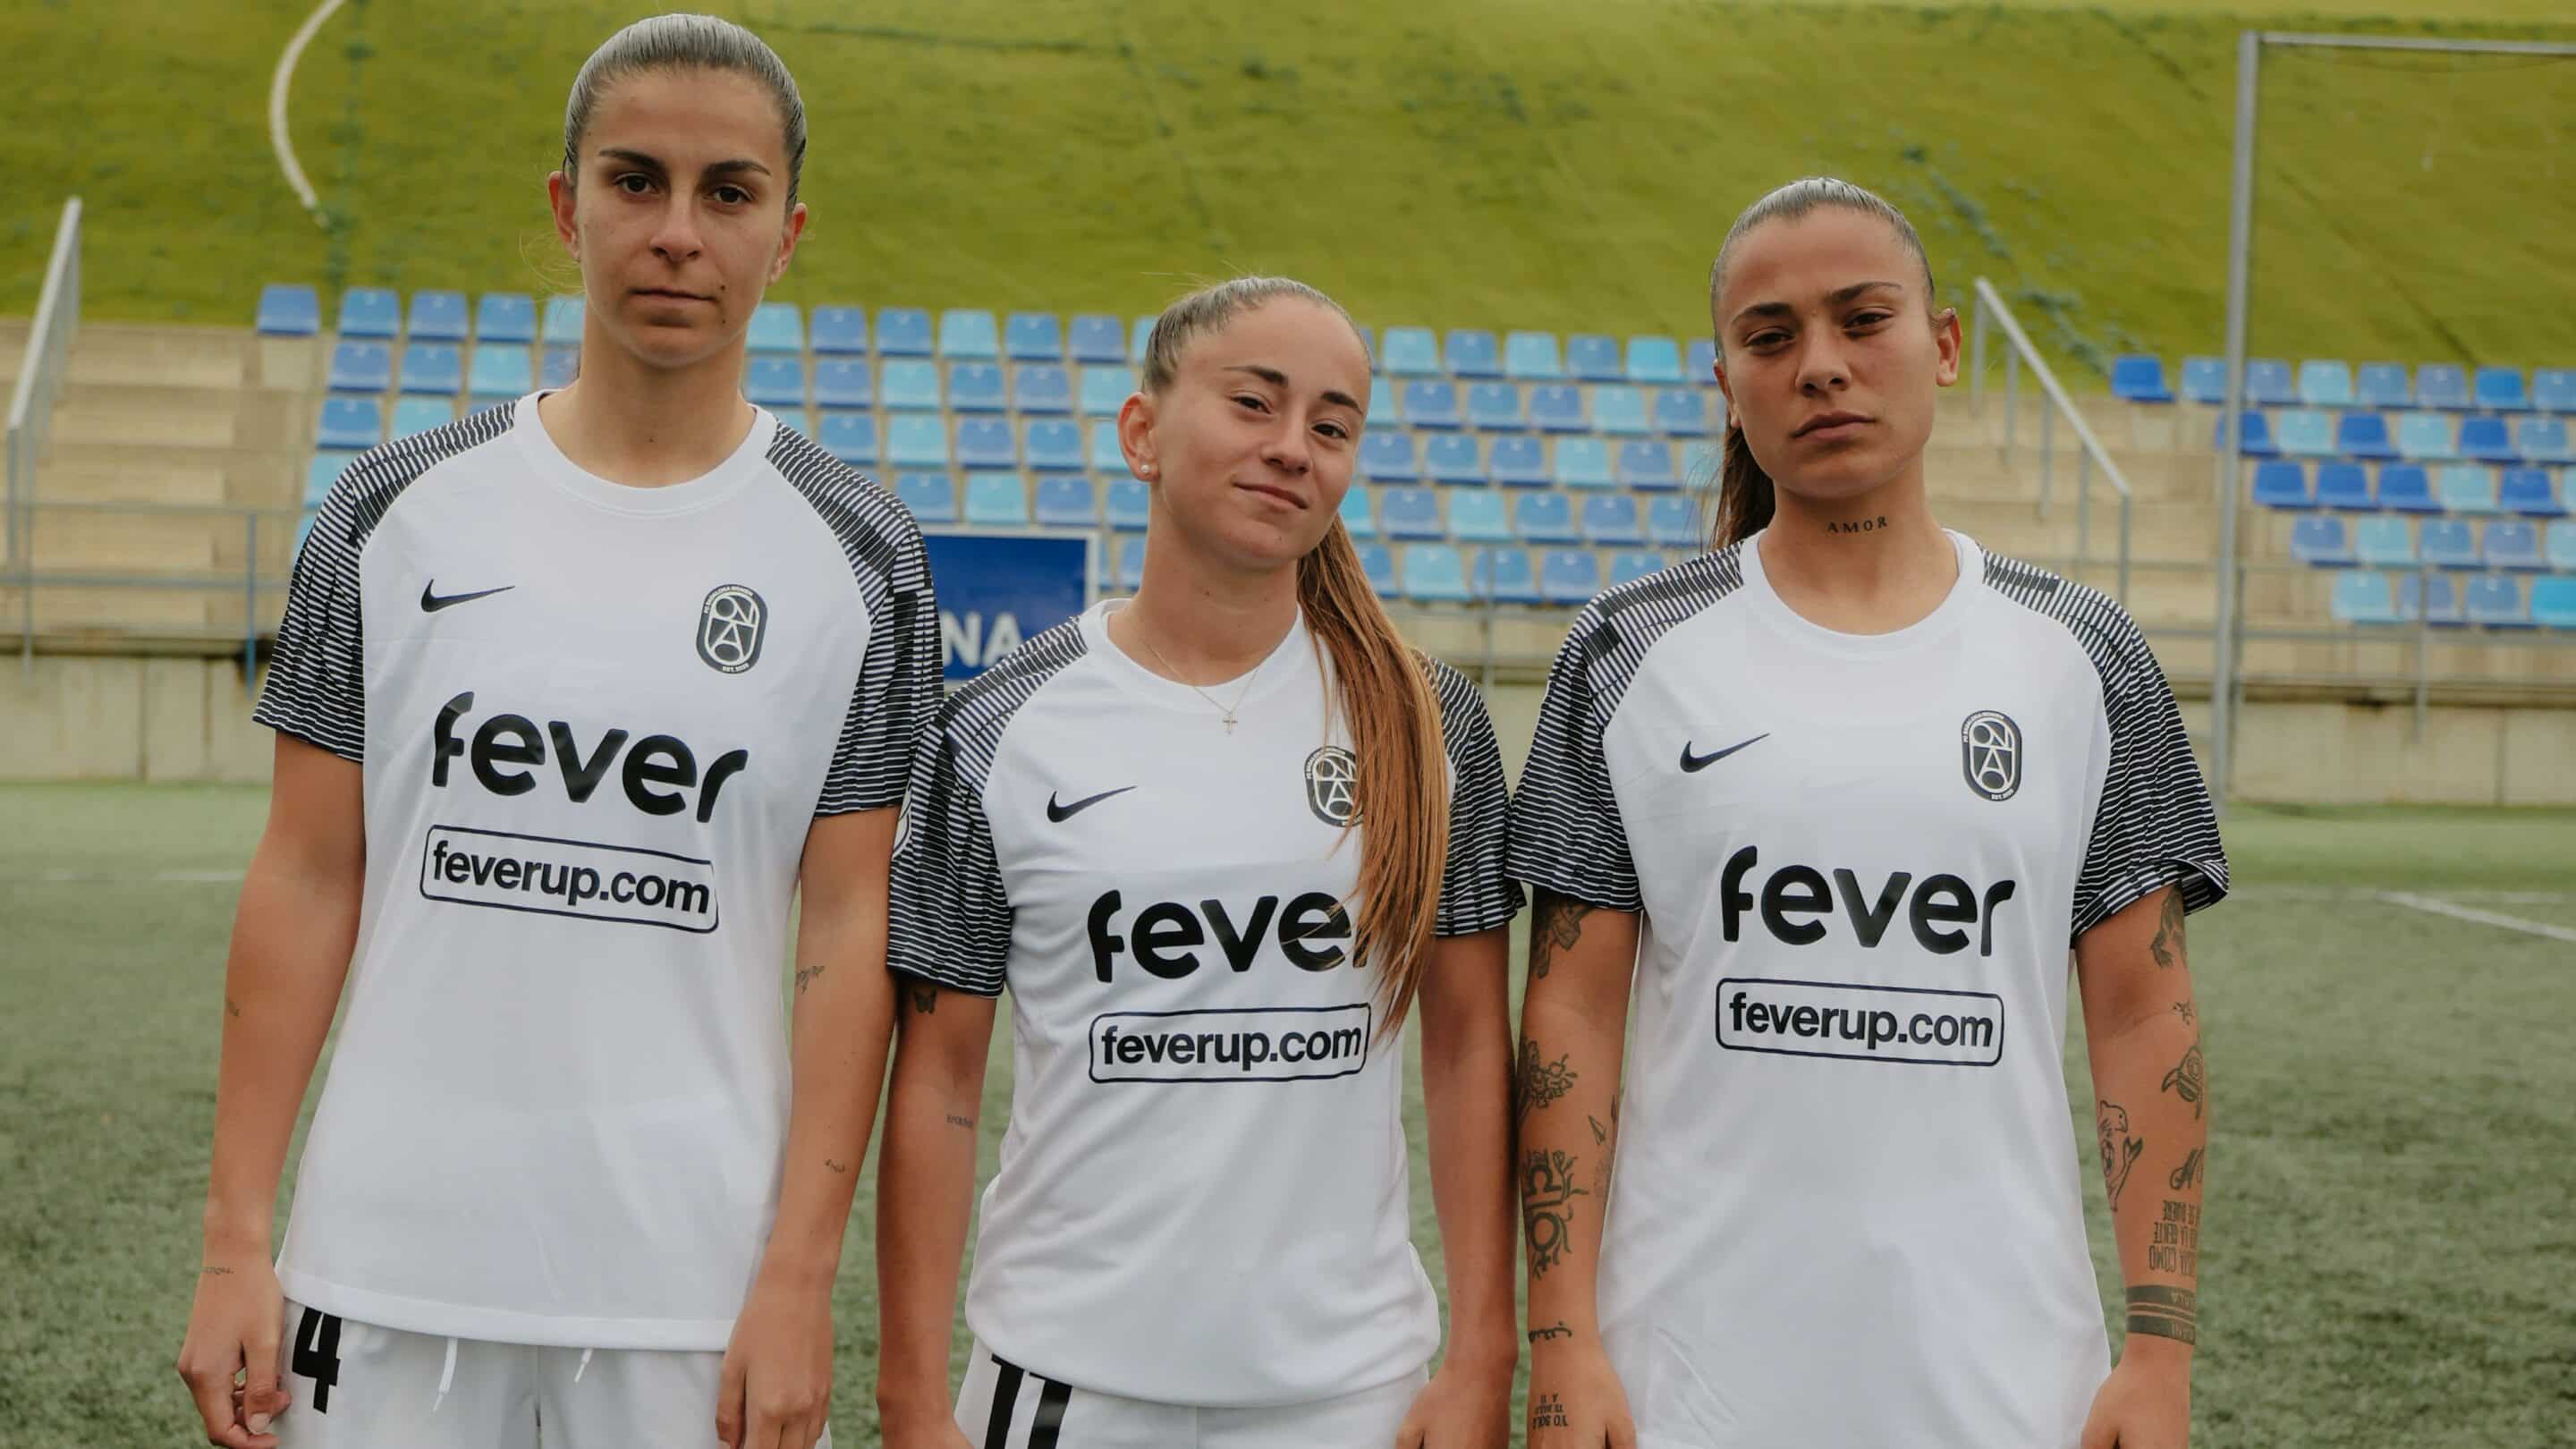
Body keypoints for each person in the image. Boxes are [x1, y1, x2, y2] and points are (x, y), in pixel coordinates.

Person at [174, 15, 937, 1448]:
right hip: (383, 1264)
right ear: (567, 204)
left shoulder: (861, 552)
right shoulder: (390, 510)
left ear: (786, 235)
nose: (677, 233)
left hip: (692, 1288)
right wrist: (235, 1241)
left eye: (728, 192)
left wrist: (797, 1277)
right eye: (635, 180)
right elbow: (305, 875)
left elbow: (849, 930)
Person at [1509, 177, 2225, 1449]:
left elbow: (2144, 1018)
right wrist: (1562, 1341)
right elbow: (1570, 1013)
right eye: (1771, 337)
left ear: (1942, 345)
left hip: (2008, 1380)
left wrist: (2160, 1350)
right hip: (1690, 1381)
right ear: (1725, 384)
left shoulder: (2084, 654)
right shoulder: (1628, 651)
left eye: (1862, 319)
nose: (1821, 367)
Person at [873, 276, 1522, 1449]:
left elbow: (1472, 1043)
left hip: (1353, 1393)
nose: (1292, 448)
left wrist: (1485, 1347)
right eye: (1254, 404)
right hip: (1067, 1385)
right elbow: (939, 1080)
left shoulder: (1426, 721)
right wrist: (912, 1391)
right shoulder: (1001, 727)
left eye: (1331, 426)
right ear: (1143, 433)